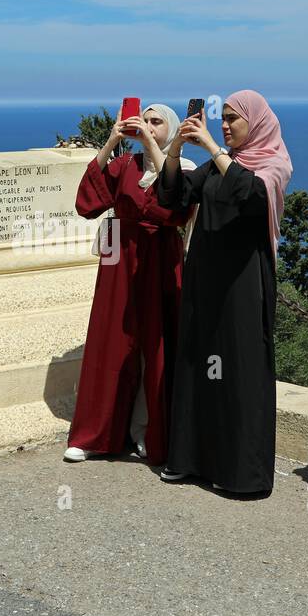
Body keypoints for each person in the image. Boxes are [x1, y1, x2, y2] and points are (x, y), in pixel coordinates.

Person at [155, 91, 292, 494]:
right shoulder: (217, 168)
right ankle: (191, 459)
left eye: (234, 119)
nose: (226, 126)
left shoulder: (273, 163)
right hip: (206, 279)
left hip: (244, 283)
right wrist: (178, 145)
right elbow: (173, 196)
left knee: (239, 371)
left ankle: (241, 472)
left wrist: (214, 147)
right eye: (223, 119)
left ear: (257, 122)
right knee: (200, 366)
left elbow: (249, 195)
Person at [63, 104, 196, 465]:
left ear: (170, 129)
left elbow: (171, 210)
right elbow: (87, 203)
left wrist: (157, 151)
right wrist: (111, 141)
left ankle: (150, 434)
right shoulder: (124, 165)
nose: (148, 127)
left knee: (156, 347)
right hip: (119, 257)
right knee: (111, 344)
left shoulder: (185, 169)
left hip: (160, 259)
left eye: (157, 122)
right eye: (145, 120)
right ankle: (96, 435)